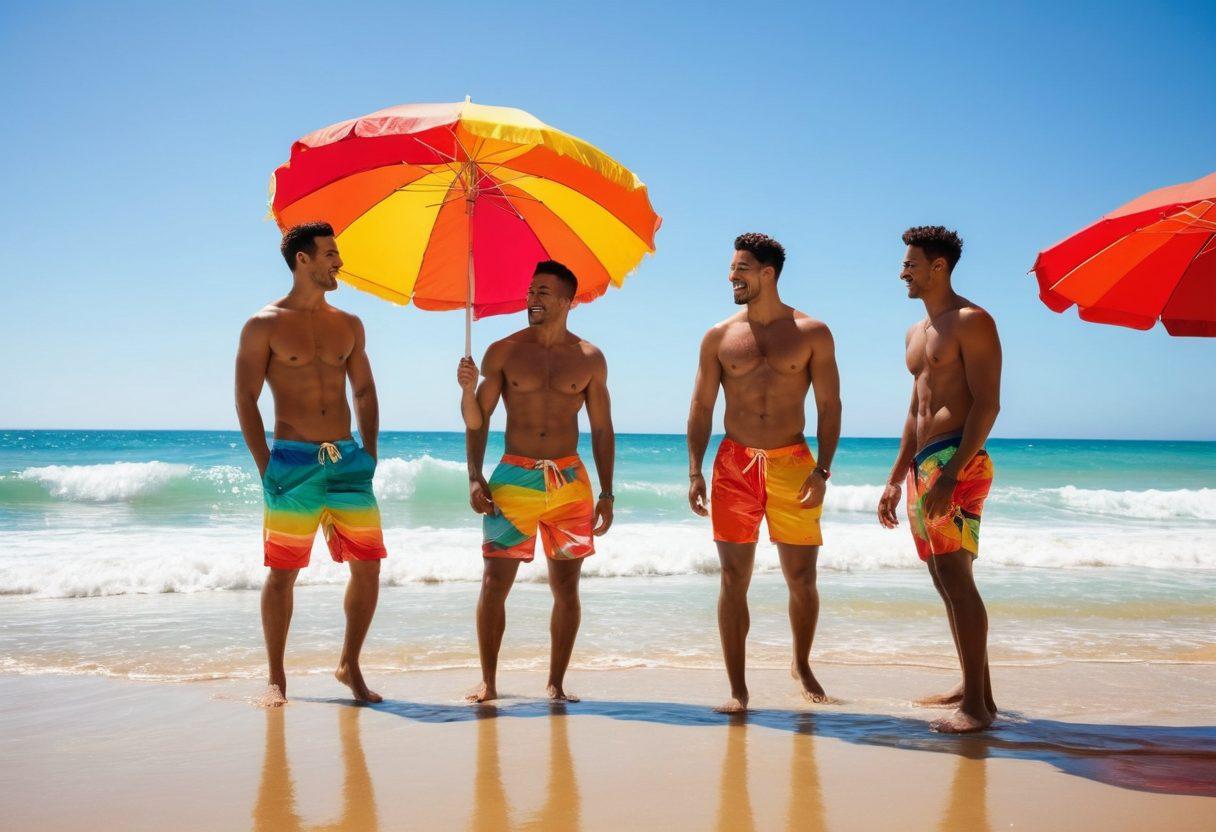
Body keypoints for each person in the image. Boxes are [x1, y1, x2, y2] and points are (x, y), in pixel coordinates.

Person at [687, 233, 842, 713]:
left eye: (741, 268)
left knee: (802, 578)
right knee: (734, 577)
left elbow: (829, 405)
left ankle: (801, 663)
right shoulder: (719, 336)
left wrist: (823, 469)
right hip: (733, 464)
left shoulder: (812, 332)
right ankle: (738, 688)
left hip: (793, 463)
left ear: (768, 273)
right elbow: (701, 405)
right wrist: (694, 469)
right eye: (732, 268)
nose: (732, 276)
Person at [235, 222, 386, 707]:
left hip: (347, 460)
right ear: (304, 260)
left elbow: (363, 389)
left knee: (368, 568)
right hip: (292, 462)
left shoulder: (349, 324)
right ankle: (276, 677)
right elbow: (245, 396)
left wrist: (370, 452)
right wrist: (266, 464)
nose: (338, 262)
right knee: (283, 572)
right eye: (330, 253)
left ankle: (350, 665)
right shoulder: (265, 324)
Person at [457, 260, 615, 703]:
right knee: (494, 582)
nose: (533, 300)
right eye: (530, 292)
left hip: (569, 480)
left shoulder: (589, 358)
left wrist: (606, 491)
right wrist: (474, 473)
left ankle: (556, 683)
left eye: (543, 293)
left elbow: (602, 429)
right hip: (514, 477)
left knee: (566, 588)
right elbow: (477, 420)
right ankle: (488, 681)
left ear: (568, 301)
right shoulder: (504, 351)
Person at [876, 225, 1002, 733]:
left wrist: (952, 472)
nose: (902, 271)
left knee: (957, 578)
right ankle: (977, 690)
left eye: (910, 263)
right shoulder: (916, 333)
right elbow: (915, 410)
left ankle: (975, 708)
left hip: (958, 461)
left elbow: (988, 403)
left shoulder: (972, 321)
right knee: (944, 580)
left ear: (938, 267)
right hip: (923, 465)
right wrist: (893, 477)